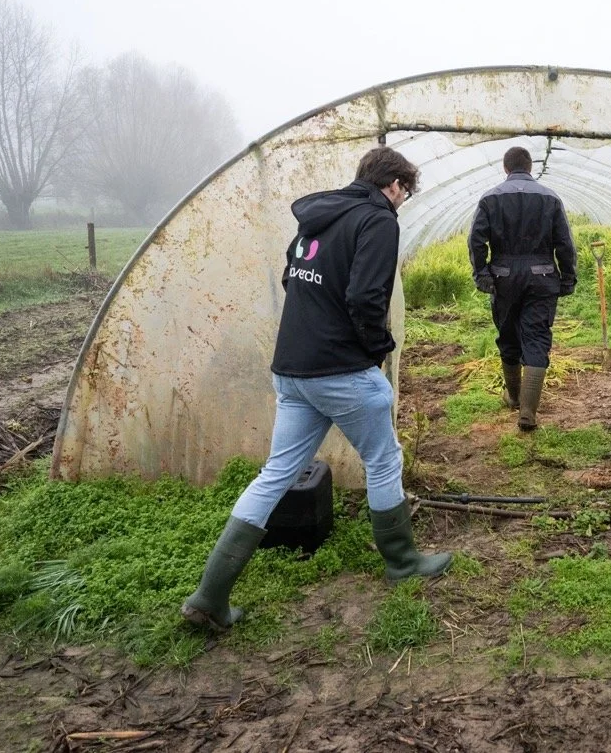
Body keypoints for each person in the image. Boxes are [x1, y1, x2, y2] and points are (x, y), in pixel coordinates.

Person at [181, 147, 452, 632]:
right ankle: (403, 561)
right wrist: (377, 350)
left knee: (276, 473)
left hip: (292, 369)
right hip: (341, 369)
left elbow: (293, 278)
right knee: (384, 459)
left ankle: (209, 597)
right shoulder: (377, 220)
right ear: (393, 185)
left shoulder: (317, 216)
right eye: (405, 192)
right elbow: (367, 297)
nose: (403, 201)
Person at [468, 146, 577, 431]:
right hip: (542, 276)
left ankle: (513, 396)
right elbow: (564, 243)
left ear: (506, 168)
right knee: (537, 337)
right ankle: (527, 411)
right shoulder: (550, 198)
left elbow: (476, 241)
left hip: (503, 276)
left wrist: (482, 274)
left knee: (508, 335)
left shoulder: (490, 198)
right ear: (530, 167)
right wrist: (567, 278)